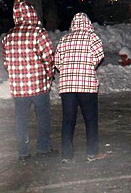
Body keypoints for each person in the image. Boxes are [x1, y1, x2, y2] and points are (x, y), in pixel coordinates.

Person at [2, 1, 55, 160]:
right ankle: (43, 149)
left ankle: (23, 152)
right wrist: (49, 74)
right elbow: (49, 57)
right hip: (39, 86)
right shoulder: (38, 33)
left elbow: (6, 63)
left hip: (19, 89)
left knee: (21, 120)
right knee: (43, 118)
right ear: (32, 14)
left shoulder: (8, 37)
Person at [54, 12, 106, 162]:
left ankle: (67, 155)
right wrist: (87, 66)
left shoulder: (64, 39)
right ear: (87, 23)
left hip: (67, 86)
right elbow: (99, 56)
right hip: (86, 86)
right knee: (90, 119)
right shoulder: (92, 38)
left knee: (68, 120)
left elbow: (57, 61)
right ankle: (92, 152)